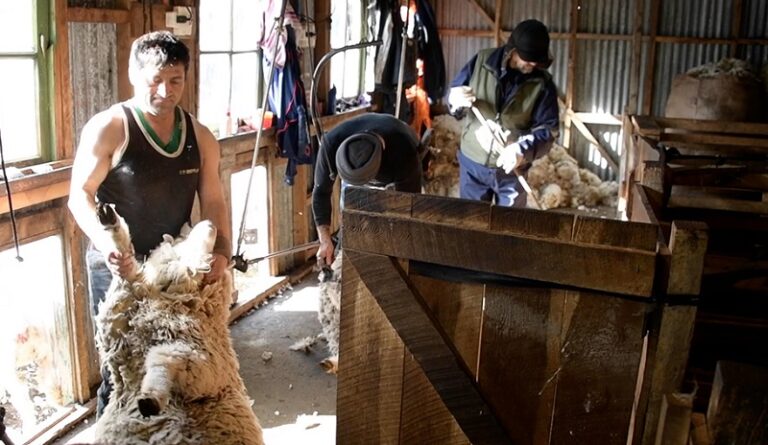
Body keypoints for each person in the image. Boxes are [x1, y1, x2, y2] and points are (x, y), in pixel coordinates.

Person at [67, 31, 231, 416]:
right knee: (121, 370)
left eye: (175, 81)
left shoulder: (200, 136)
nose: (164, 91)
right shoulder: (110, 127)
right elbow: (80, 195)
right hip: (118, 268)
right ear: (133, 75)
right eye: (154, 80)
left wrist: (221, 250)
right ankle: (111, 435)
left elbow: (213, 199)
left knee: (173, 365)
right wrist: (108, 244)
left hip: (174, 271)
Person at [448, 19, 560, 207]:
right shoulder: (481, 62)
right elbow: (455, 96)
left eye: (537, 60)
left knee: (509, 229)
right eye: (528, 59)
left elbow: (548, 131)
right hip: (473, 165)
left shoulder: (542, 83)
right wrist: (455, 101)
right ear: (513, 51)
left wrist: (521, 150)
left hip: (512, 171)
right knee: (471, 225)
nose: (533, 64)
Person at [312, 113, 423, 266]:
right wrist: (324, 240)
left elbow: (411, 207)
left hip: (396, 159)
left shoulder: (404, 153)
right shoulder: (331, 144)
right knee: (352, 223)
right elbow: (320, 193)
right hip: (362, 165)